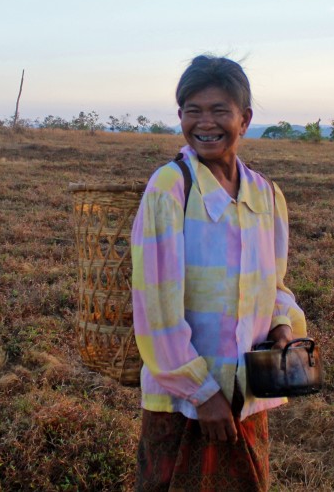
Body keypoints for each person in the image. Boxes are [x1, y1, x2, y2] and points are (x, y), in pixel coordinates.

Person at [131, 55, 308, 492]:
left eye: (219, 111)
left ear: (244, 120)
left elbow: (276, 285)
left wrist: (282, 327)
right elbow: (156, 305)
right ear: (180, 117)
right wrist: (201, 392)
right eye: (193, 110)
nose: (205, 123)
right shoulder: (170, 188)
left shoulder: (266, 194)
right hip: (184, 401)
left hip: (246, 394)